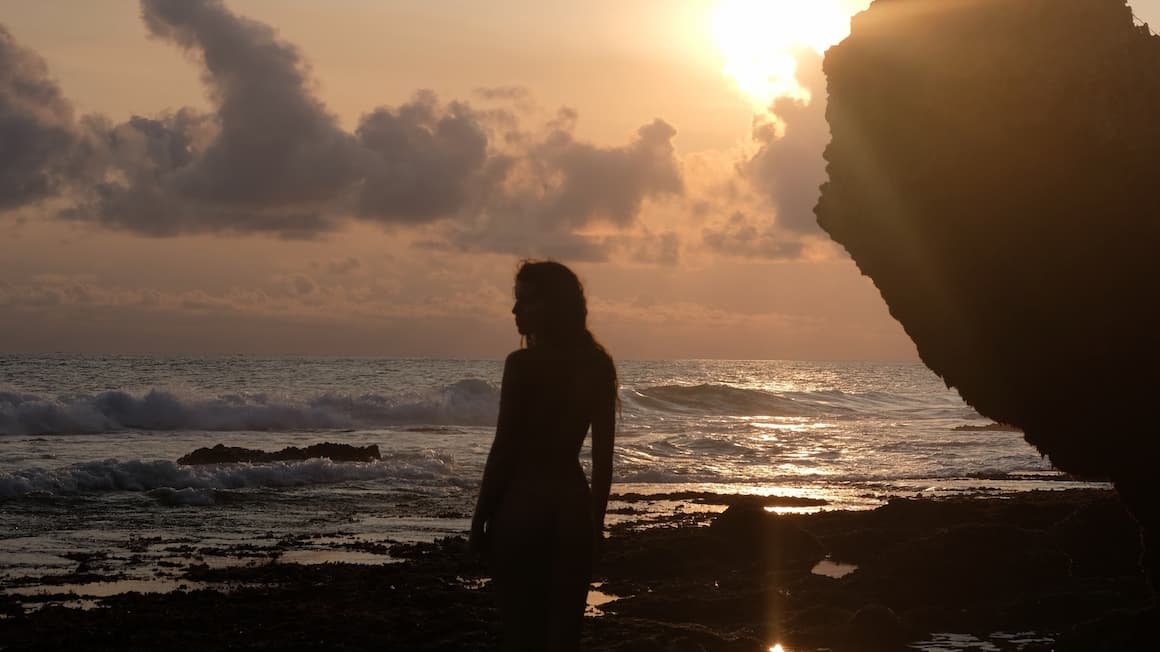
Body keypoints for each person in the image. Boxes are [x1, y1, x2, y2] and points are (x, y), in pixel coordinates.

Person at [470, 259, 617, 651]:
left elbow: (504, 449)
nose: (515, 311)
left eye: (525, 302)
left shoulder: (521, 366)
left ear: (552, 306)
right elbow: (604, 461)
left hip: (521, 511)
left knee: (522, 635)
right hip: (572, 511)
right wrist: (596, 525)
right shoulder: (598, 365)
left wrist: (479, 519)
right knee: (564, 637)